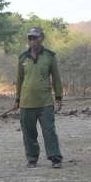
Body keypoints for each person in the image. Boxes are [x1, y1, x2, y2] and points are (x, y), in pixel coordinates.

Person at [14, 26, 63, 169]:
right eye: (30, 38)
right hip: (26, 102)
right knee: (28, 133)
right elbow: (19, 79)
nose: (32, 40)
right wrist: (17, 99)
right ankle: (32, 159)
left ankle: (55, 158)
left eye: (34, 37)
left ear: (41, 38)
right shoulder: (23, 57)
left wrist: (59, 96)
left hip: (45, 102)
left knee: (49, 131)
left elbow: (56, 78)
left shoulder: (49, 56)